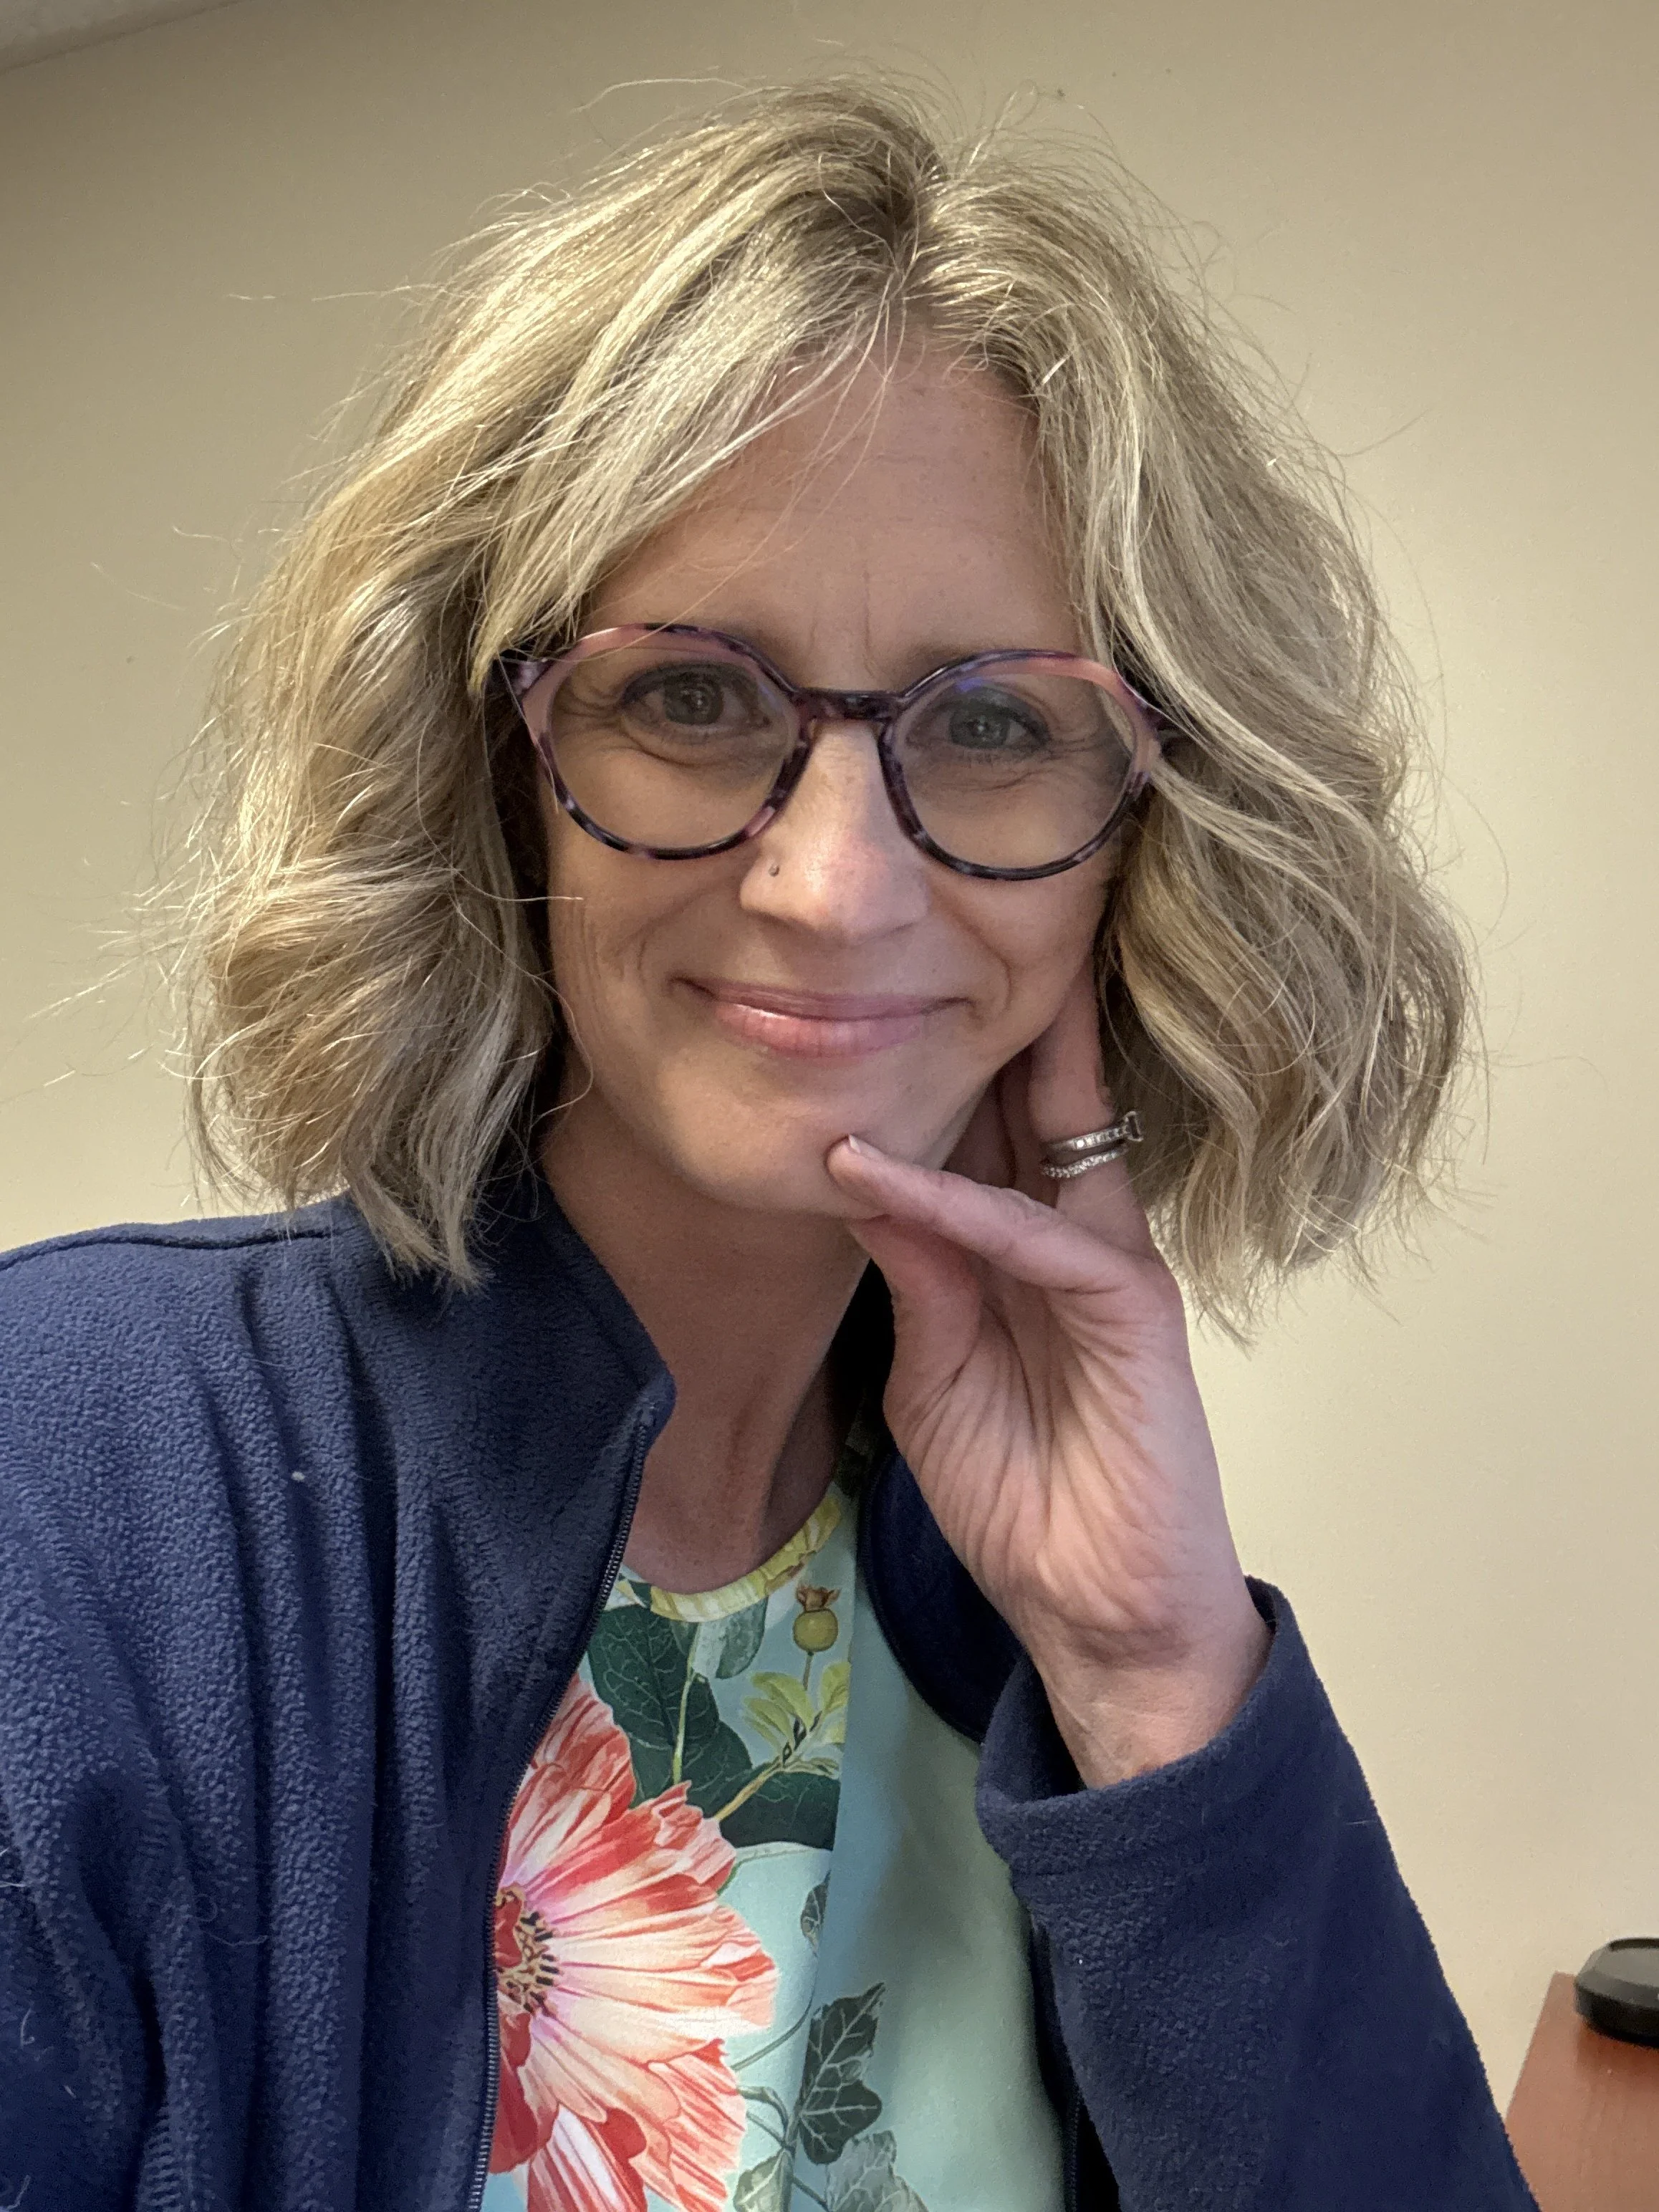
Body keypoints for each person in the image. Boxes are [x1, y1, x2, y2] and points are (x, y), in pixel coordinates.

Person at [0, 79, 1536, 2212]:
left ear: (1153, 836)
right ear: (493, 765)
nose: (830, 885)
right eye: (691, 699)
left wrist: (1154, 1674)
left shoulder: (1037, 1593)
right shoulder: (67, 1486)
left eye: (991, 723)